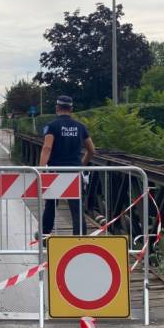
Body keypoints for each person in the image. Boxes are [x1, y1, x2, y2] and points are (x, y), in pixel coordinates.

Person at [39, 95, 96, 236]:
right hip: (74, 172)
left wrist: (40, 170)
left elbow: (47, 148)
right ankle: (80, 237)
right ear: (71, 109)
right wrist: (82, 165)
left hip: (55, 171)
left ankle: (45, 235)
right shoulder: (80, 127)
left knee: (51, 204)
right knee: (76, 208)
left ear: (57, 108)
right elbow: (92, 150)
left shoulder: (51, 126)